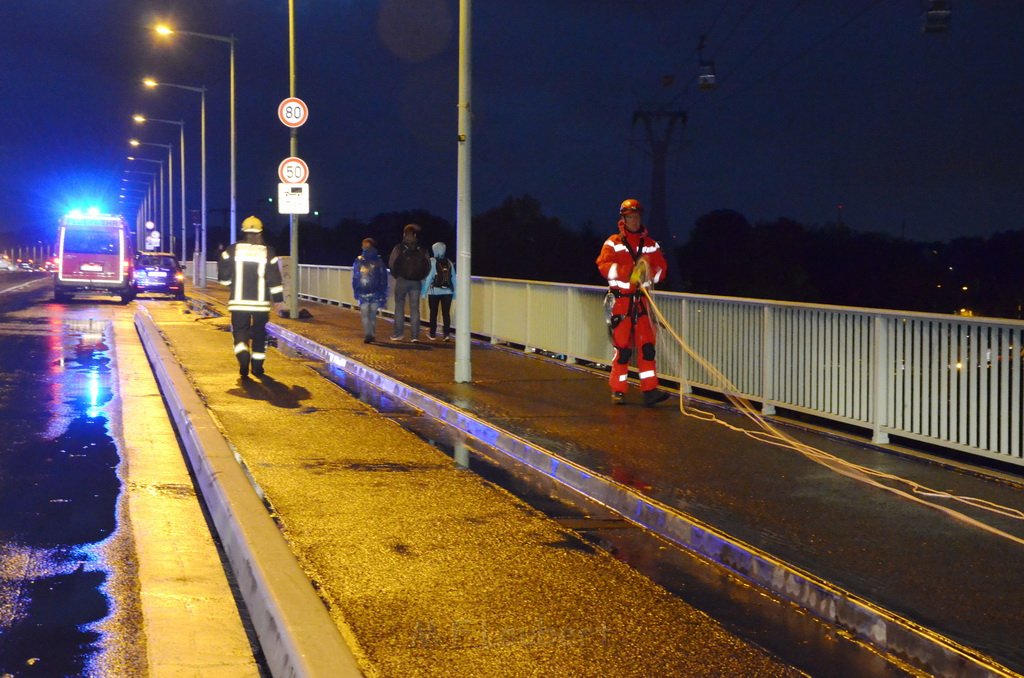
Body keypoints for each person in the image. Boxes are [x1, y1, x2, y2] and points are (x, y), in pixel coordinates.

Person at [595, 198, 670, 406]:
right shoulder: (613, 242)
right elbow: (603, 266)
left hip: (642, 302)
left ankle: (650, 390)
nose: (634, 221)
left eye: (636, 217)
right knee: (623, 348)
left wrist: (649, 272)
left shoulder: (650, 245)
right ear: (623, 219)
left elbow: (662, 271)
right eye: (630, 217)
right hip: (621, 301)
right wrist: (628, 272)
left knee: (647, 347)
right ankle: (618, 390)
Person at [217, 215, 284, 378]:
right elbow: (274, 278)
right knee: (260, 334)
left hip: (238, 303)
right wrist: (278, 300)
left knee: (240, 332)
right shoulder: (268, 252)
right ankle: (257, 367)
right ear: (260, 232)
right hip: (260, 304)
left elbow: (224, 274)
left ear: (244, 232)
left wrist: (228, 283)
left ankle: (243, 357)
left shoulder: (232, 250)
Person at [387, 223, 430, 342]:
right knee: (415, 309)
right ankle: (415, 336)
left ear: (404, 234)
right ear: (415, 235)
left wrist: (397, 275)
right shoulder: (422, 249)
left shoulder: (398, 248)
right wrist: (421, 276)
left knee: (399, 307)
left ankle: (398, 334)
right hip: (416, 282)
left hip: (401, 280)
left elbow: (391, 263)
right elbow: (428, 266)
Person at [352, 237, 389, 343]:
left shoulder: (359, 260)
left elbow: (355, 277)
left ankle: (369, 334)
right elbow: (383, 278)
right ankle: (370, 334)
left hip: (366, 291)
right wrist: (383, 293)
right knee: (371, 315)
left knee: (367, 314)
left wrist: (355, 290)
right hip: (373, 291)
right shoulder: (378, 261)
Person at [421, 241, 456, 341]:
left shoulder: (432, 261)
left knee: (433, 312)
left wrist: (424, 292)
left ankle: (432, 334)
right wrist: (455, 293)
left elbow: (428, 278)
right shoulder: (449, 262)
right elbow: (453, 278)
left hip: (434, 292)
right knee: (446, 314)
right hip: (448, 292)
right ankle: (446, 335)